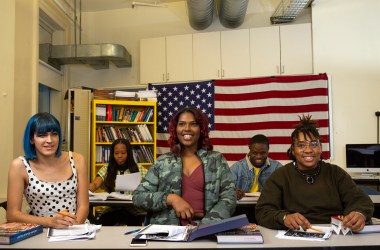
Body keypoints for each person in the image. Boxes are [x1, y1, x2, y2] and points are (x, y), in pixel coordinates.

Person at [255, 114, 374, 232]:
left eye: (314, 144)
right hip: (295, 235)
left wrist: (359, 214)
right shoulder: (279, 176)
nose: (308, 150)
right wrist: (284, 217)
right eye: (301, 145)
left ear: (320, 148)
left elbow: (361, 201)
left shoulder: (335, 173)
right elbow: (263, 211)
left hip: (335, 234)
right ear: (292, 149)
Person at [133, 106, 236, 225]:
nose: (187, 129)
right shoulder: (162, 162)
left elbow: (229, 198)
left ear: (201, 129)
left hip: (206, 231)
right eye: (181, 124)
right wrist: (171, 199)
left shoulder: (216, 160)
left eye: (193, 124)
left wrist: (206, 226)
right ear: (175, 129)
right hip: (168, 233)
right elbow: (138, 197)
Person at [7, 112, 89, 228]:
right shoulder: (20, 166)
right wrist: (50, 222)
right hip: (42, 233)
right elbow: (12, 215)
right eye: (42, 135)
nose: (49, 140)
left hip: (77, 230)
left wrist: (72, 229)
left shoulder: (77, 160)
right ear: (31, 139)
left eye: (54, 134)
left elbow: (83, 206)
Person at [89, 138, 146, 226]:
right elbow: (95, 184)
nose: (119, 156)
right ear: (112, 154)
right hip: (113, 210)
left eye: (123, 153)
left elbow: (150, 184)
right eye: (116, 153)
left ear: (129, 154)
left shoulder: (139, 168)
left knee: (135, 224)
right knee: (102, 224)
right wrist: (86, 191)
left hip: (135, 211)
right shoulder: (107, 168)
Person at [230, 134, 282, 200]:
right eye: (255, 153)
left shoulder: (276, 167)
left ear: (268, 150)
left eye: (263, 153)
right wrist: (232, 192)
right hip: (241, 207)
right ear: (249, 149)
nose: (258, 157)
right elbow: (224, 190)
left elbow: (286, 189)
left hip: (268, 207)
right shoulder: (237, 168)